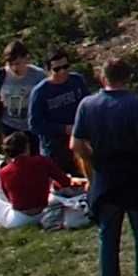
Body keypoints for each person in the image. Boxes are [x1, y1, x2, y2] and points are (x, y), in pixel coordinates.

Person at [70, 53, 138, 276]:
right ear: (127, 78)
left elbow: (76, 144)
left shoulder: (87, 105)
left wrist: (94, 160)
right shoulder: (134, 103)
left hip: (105, 176)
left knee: (108, 237)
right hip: (135, 175)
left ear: (103, 77)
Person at [27, 50, 90, 190]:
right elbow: (34, 125)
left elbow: (88, 106)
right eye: (57, 69)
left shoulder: (77, 81)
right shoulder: (40, 92)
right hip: (55, 150)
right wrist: (63, 128)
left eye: (65, 67)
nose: (62, 72)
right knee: (62, 189)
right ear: (48, 70)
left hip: (80, 143)